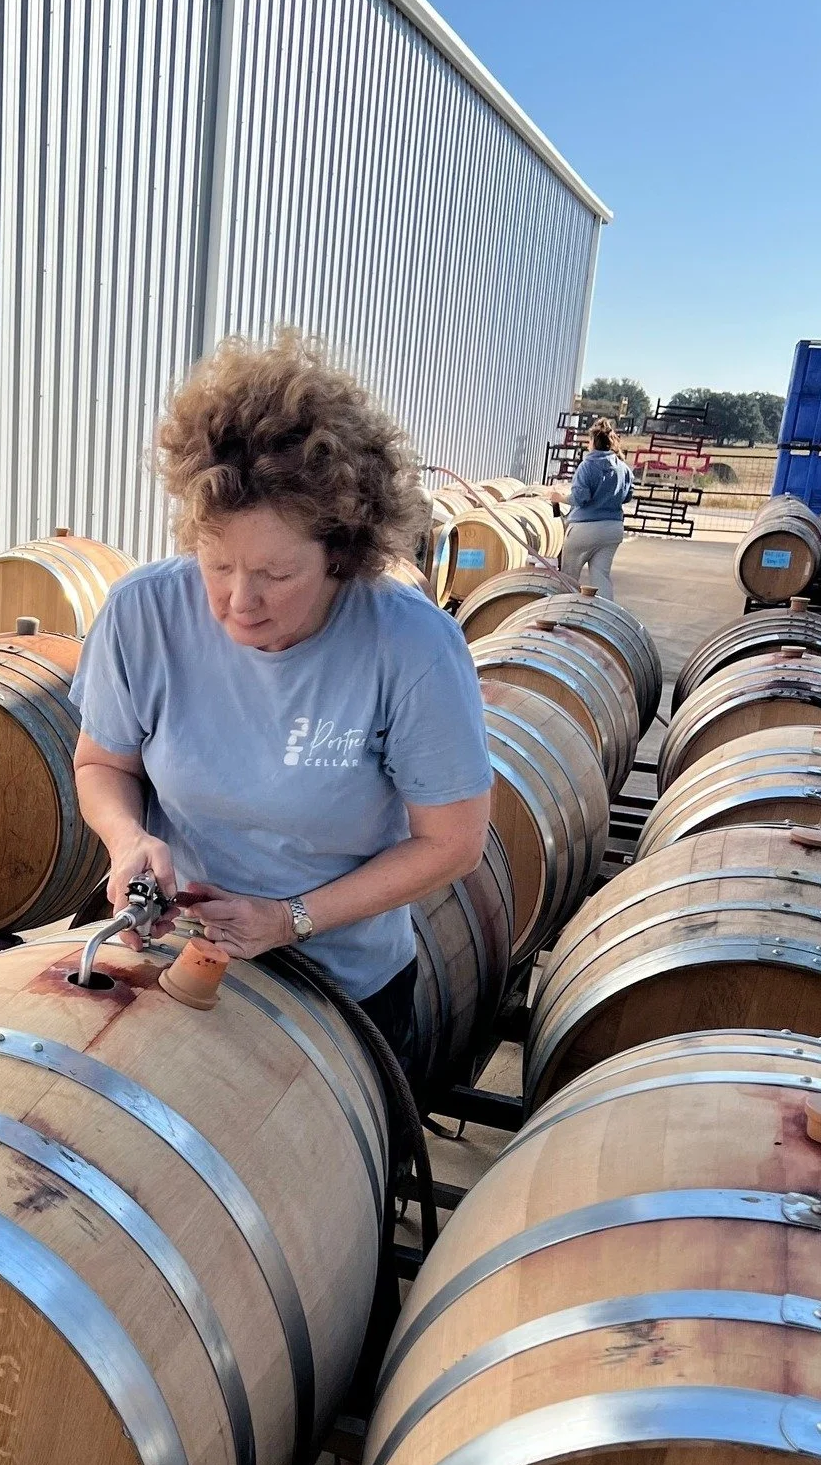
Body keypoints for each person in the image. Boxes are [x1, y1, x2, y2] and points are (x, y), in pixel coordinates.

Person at [70, 328, 492, 1077]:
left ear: (340, 553)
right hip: (170, 957)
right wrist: (126, 839)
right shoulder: (144, 612)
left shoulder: (410, 646)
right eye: (217, 563)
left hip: (338, 983)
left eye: (275, 573)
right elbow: (103, 761)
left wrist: (289, 920)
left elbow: (450, 843)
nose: (239, 603)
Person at [559, 419, 634, 597]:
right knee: (601, 577)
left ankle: (564, 614)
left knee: (569, 576)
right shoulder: (623, 468)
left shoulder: (587, 466)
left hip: (584, 529)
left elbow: (580, 498)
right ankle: (604, 618)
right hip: (612, 529)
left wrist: (559, 497)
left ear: (593, 442)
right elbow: (628, 496)